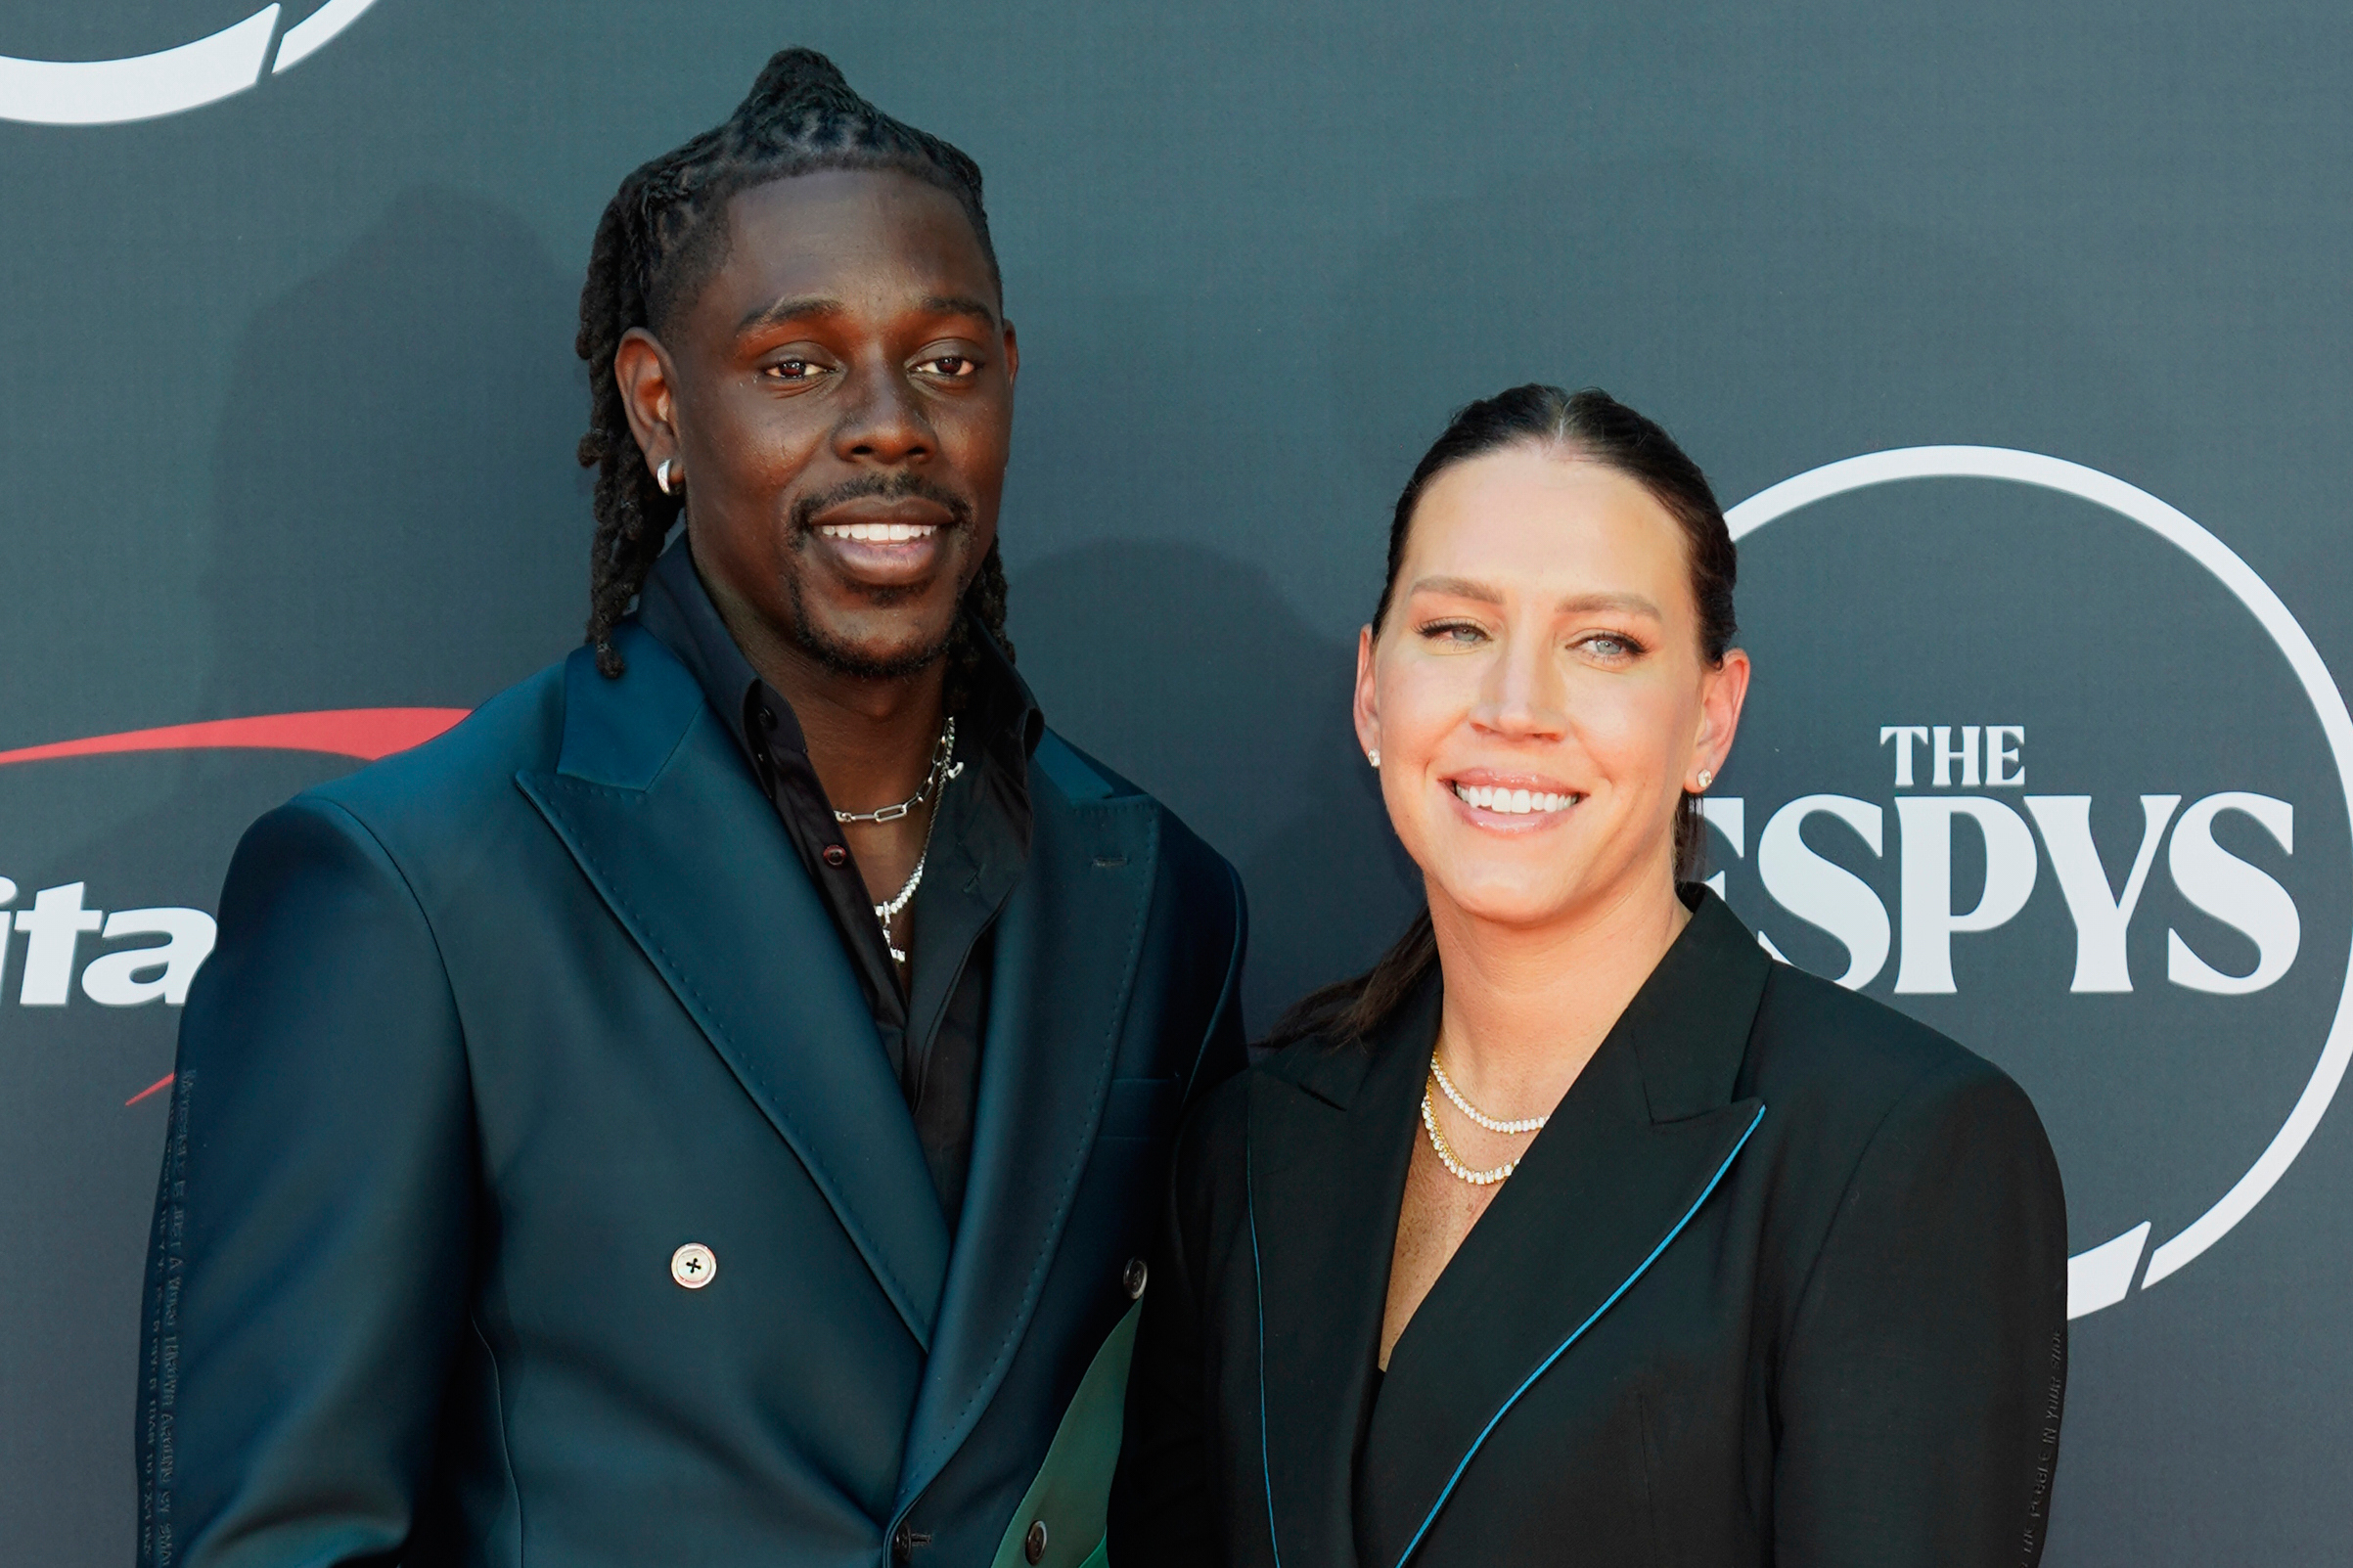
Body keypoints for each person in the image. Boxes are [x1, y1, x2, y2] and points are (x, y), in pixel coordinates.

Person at [135, 49, 1245, 1568]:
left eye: (948, 360)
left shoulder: (1158, 895)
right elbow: (279, 1539)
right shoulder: (408, 887)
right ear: (659, 404)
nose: (889, 425)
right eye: (796, 364)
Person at [1109, 385, 2067, 1566]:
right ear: (1371, 690)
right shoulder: (1249, 1153)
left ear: (1709, 720)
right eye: (1456, 628)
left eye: (1602, 643)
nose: (1515, 707)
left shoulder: (1893, 1150)